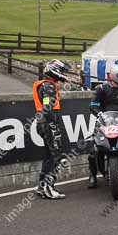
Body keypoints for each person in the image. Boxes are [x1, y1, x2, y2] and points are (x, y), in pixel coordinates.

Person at [33, 59, 73, 200]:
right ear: (54, 70)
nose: (63, 74)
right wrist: (54, 125)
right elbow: (47, 107)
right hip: (48, 123)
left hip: (43, 123)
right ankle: (48, 187)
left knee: (49, 156)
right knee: (57, 156)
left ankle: (42, 186)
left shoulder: (47, 84)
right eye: (61, 71)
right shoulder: (48, 86)